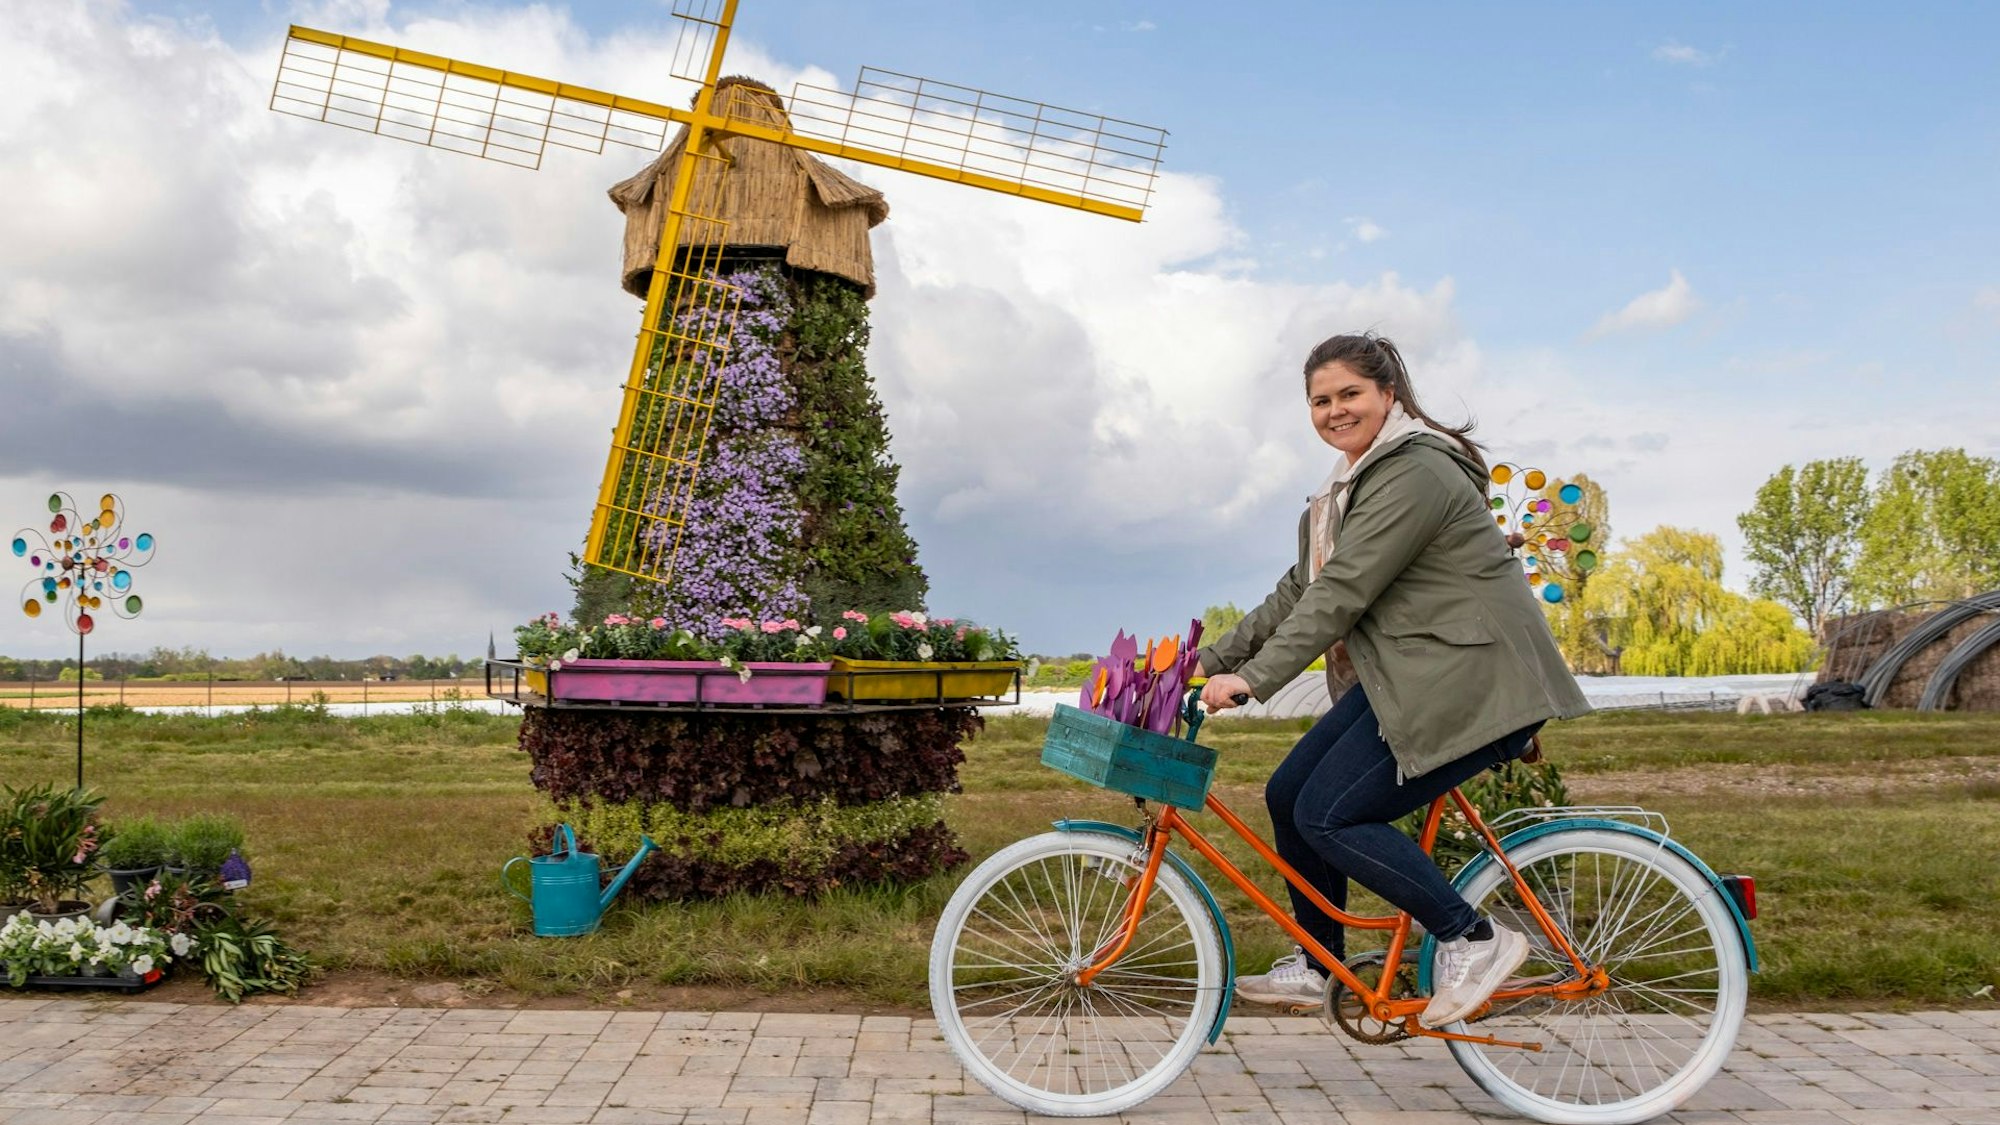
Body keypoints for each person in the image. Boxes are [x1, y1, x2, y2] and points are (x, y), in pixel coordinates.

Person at [1194, 332, 1590, 1027]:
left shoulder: (1413, 474)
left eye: (1350, 393)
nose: (1334, 410)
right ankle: (1321, 964)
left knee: (1330, 810)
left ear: (1389, 395)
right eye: (1320, 399)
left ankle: (1474, 937)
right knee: (1290, 793)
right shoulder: (1344, 491)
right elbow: (1297, 592)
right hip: (1420, 675)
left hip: (1475, 677)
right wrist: (1201, 663)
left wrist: (1252, 681)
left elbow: (1342, 591)